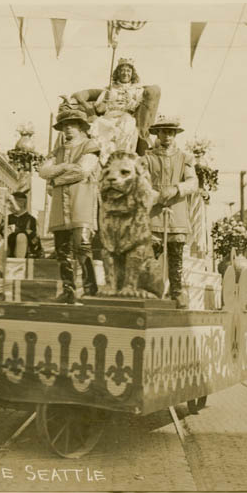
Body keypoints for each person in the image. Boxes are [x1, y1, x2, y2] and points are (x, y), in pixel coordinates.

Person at [39, 109, 100, 303]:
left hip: (81, 201)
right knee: (62, 249)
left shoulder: (90, 145)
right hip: (60, 206)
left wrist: (56, 180)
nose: (68, 129)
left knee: (82, 245)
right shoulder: (57, 151)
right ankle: (68, 290)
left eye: (72, 125)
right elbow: (43, 171)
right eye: (65, 126)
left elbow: (82, 171)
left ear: (81, 127)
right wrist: (64, 167)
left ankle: (90, 290)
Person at [142, 115, 198, 309]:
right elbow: (142, 184)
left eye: (171, 132)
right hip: (154, 212)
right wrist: (156, 196)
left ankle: (177, 292)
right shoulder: (147, 158)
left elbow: (193, 182)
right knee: (151, 255)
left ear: (175, 135)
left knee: (176, 256)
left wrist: (176, 189)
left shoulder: (185, 158)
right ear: (157, 133)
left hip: (177, 212)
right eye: (164, 131)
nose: (168, 136)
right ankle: (151, 291)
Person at [70, 58, 160, 160]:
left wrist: (132, 101)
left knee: (127, 125)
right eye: (122, 70)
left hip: (126, 117)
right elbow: (100, 110)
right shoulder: (109, 89)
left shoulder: (137, 90)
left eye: (128, 71)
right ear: (118, 73)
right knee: (98, 125)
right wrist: (105, 100)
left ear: (132, 74)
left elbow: (142, 107)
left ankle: (121, 157)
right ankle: (104, 158)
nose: (125, 73)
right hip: (109, 117)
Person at [0, 191, 44, 274]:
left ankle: (17, 267)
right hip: (8, 245)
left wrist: (17, 230)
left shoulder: (31, 219)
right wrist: (3, 230)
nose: (9, 206)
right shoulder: (7, 218)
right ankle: (0, 268)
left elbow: (34, 237)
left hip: (25, 247)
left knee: (21, 236)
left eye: (11, 203)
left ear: (20, 204)